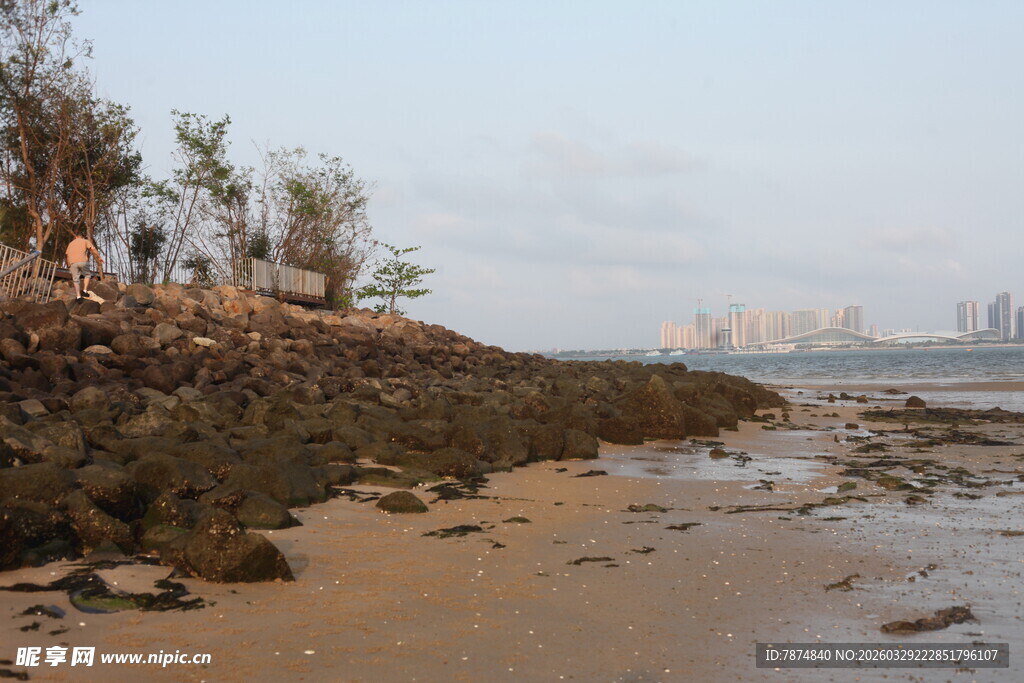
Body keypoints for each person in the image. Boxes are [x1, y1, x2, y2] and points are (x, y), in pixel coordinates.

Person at [65, 230, 103, 301]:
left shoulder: (71, 243)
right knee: (87, 275)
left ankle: (78, 296)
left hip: (73, 263)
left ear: (76, 237)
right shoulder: (85, 241)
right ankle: (85, 291)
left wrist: (69, 265)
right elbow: (93, 249)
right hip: (83, 261)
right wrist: (99, 257)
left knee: (76, 280)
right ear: (82, 237)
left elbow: (67, 255)